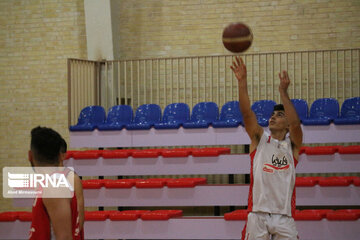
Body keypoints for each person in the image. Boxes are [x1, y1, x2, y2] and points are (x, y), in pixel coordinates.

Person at [230, 56, 302, 240]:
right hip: (258, 214)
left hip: (284, 216)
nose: (273, 117)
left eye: (279, 115)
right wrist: (242, 83)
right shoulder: (260, 139)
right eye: (272, 115)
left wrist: (283, 92)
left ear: (286, 124)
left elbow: (295, 125)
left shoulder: (292, 146)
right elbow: (247, 113)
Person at [28, 126, 84, 240]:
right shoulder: (50, 182)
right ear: (59, 156)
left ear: (30, 156)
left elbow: (65, 237)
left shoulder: (54, 185)